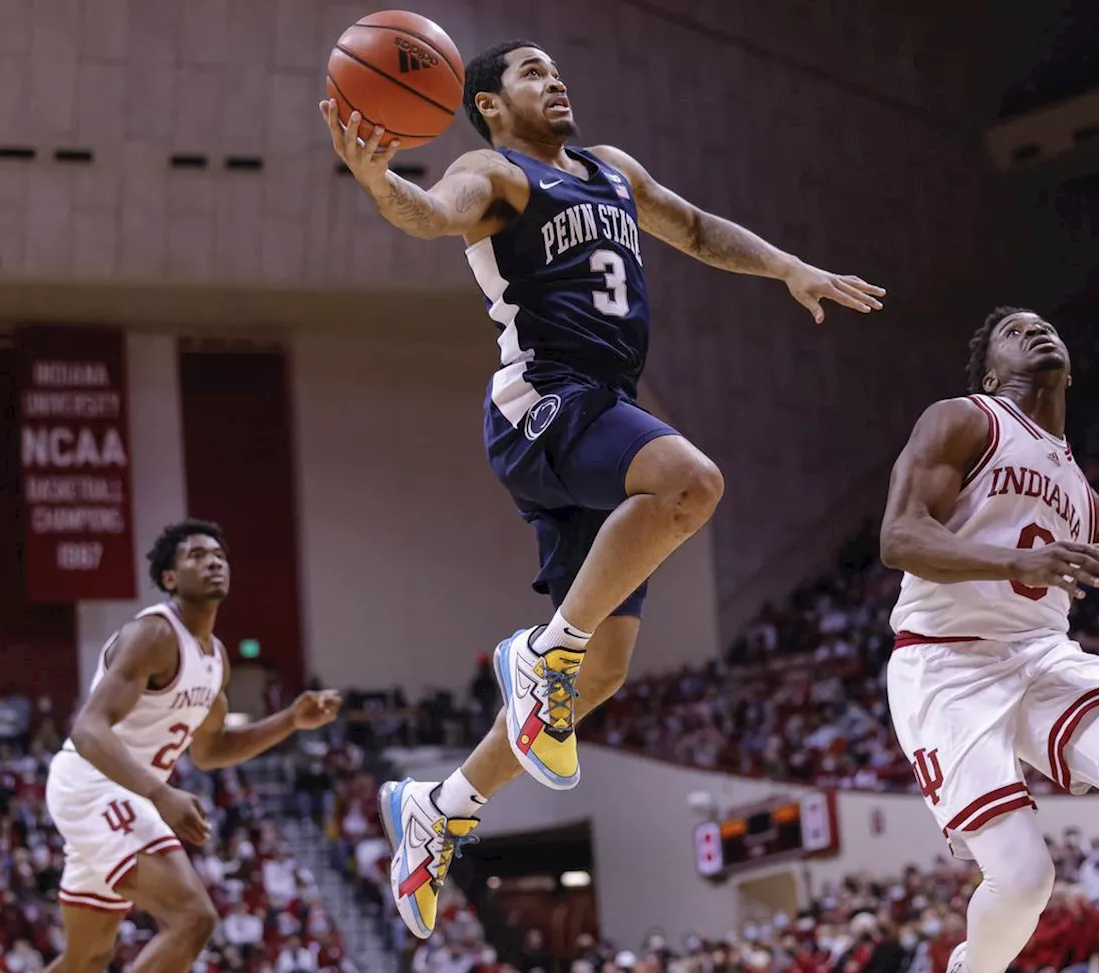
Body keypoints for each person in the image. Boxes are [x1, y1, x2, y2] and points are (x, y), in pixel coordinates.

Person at [320, 39, 885, 938]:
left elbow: (696, 228)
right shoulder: (492, 171)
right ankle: (545, 648)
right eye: (532, 72)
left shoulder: (612, 170)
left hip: (604, 412)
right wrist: (381, 183)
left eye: (556, 67)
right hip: (543, 398)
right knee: (692, 483)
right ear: (491, 105)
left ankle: (441, 805)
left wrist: (787, 267)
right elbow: (432, 215)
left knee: (606, 672)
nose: (556, 79)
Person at [879, 307, 1099, 973]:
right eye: (1014, 329)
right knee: (1025, 879)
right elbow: (899, 537)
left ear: (1071, 370)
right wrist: (1012, 562)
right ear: (994, 372)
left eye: (1044, 324)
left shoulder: (1086, 495)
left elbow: (1043, 610)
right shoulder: (965, 418)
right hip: (947, 660)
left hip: (1042, 653)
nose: (1035, 328)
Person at [43, 520, 341, 973]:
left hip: (120, 793)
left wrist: (290, 721)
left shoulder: (215, 658)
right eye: (197, 556)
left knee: (86, 958)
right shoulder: (154, 636)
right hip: (94, 785)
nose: (213, 562)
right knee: (194, 919)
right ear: (170, 578)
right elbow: (88, 730)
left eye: (219, 555)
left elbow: (211, 750)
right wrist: (160, 794)